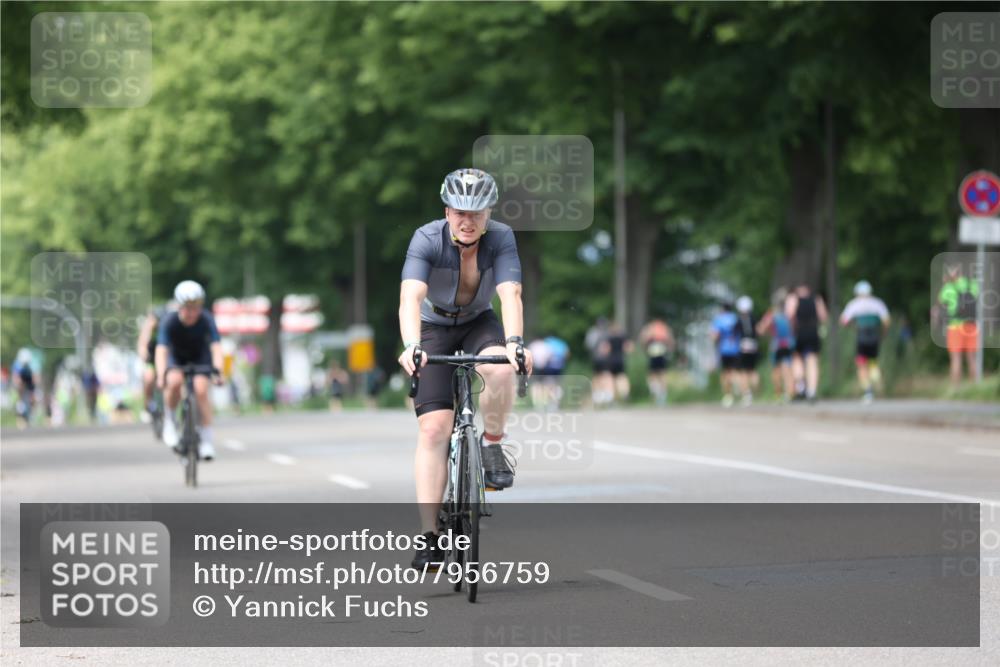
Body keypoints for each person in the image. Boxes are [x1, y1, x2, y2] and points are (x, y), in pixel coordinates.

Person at [396, 168, 533, 570]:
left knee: (501, 370)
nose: (467, 221)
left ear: (489, 214)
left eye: (476, 213)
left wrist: (515, 342)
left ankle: (492, 445)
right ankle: (429, 535)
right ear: (447, 212)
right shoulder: (426, 239)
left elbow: (510, 293)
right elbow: (410, 297)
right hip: (432, 327)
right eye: (459, 212)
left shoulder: (501, 238)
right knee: (433, 429)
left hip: (478, 323)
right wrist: (411, 346)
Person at [155, 280, 224, 460]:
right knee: (174, 382)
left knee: (201, 390)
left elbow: (216, 347)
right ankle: (170, 420)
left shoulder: (206, 319)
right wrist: (161, 375)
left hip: (200, 356)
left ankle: (207, 440)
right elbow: (161, 350)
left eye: (196, 307)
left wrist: (218, 371)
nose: (192, 313)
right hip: (176, 357)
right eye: (188, 308)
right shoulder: (169, 321)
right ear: (179, 306)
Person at [840, 280, 890, 404]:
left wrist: (853, 325)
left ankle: (868, 390)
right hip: (874, 335)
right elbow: (886, 320)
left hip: (861, 336)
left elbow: (843, 321)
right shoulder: (877, 303)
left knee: (861, 363)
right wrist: (883, 333)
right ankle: (876, 381)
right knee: (873, 361)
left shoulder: (854, 304)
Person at [937, 264, 980, 385]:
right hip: (971, 325)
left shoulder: (948, 287)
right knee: (972, 358)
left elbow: (941, 301)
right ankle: (975, 388)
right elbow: (976, 296)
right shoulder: (971, 284)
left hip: (955, 326)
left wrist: (946, 283)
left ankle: (955, 389)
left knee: (956, 358)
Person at [786, 284, 828, 403]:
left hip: (799, 331)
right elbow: (823, 316)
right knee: (812, 360)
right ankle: (812, 391)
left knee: (797, 358)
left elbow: (789, 315)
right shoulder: (816, 299)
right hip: (813, 331)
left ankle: (801, 385)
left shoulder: (793, 298)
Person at [756, 287, 795, 402]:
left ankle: (778, 394)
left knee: (776, 370)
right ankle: (789, 393)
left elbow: (761, 329)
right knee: (788, 368)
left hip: (777, 344)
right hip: (789, 343)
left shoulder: (772, 314)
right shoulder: (789, 313)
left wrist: (767, 332)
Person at [710, 302, 741, 407]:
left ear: (722, 309)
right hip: (736, 348)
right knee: (735, 371)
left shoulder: (719, 319)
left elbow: (715, 335)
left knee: (725, 373)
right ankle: (738, 387)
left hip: (724, 349)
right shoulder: (735, 318)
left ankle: (728, 395)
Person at [639, 318, 673, 406]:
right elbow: (670, 341)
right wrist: (669, 351)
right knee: (662, 375)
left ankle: (655, 392)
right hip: (662, 354)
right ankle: (662, 396)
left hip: (653, 354)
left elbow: (643, 341)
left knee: (652, 375)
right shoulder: (664, 329)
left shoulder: (650, 329)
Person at [600, 322, 633, 404]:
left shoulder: (608, 338)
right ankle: (625, 393)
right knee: (622, 377)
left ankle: (612, 398)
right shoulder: (622, 338)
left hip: (611, 361)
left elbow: (605, 350)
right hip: (620, 360)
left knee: (611, 379)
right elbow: (629, 348)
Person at [735, 296, 759, 406]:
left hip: (743, 346)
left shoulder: (739, 320)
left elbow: (734, 333)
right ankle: (756, 392)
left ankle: (747, 393)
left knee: (743, 371)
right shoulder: (753, 319)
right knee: (753, 370)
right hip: (753, 345)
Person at [585, 317, 612, 407]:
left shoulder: (593, 333)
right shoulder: (607, 332)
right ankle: (605, 396)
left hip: (596, 358)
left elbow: (588, 345)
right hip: (604, 358)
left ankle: (598, 396)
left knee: (597, 376)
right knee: (605, 376)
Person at [11, 349, 36, 429]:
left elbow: (32, 379)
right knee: (20, 403)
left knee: (28, 403)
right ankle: (21, 420)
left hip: (27, 388)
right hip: (21, 388)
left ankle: (26, 419)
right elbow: (16, 379)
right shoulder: (17, 366)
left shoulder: (28, 367)